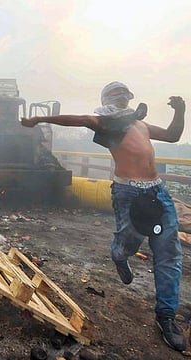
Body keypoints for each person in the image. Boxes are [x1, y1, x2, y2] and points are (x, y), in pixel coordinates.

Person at [20, 81, 186, 352]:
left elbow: (172, 136)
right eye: (117, 96)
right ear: (109, 101)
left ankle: (166, 316)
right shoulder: (106, 124)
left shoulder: (140, 125)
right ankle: (119, 255)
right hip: (127, 193)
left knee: (169, 253)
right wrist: (39, 118)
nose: (123, 99)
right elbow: (77, 119)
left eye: (125, 96)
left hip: (157, 192)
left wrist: (180, 111)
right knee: (128, 242)